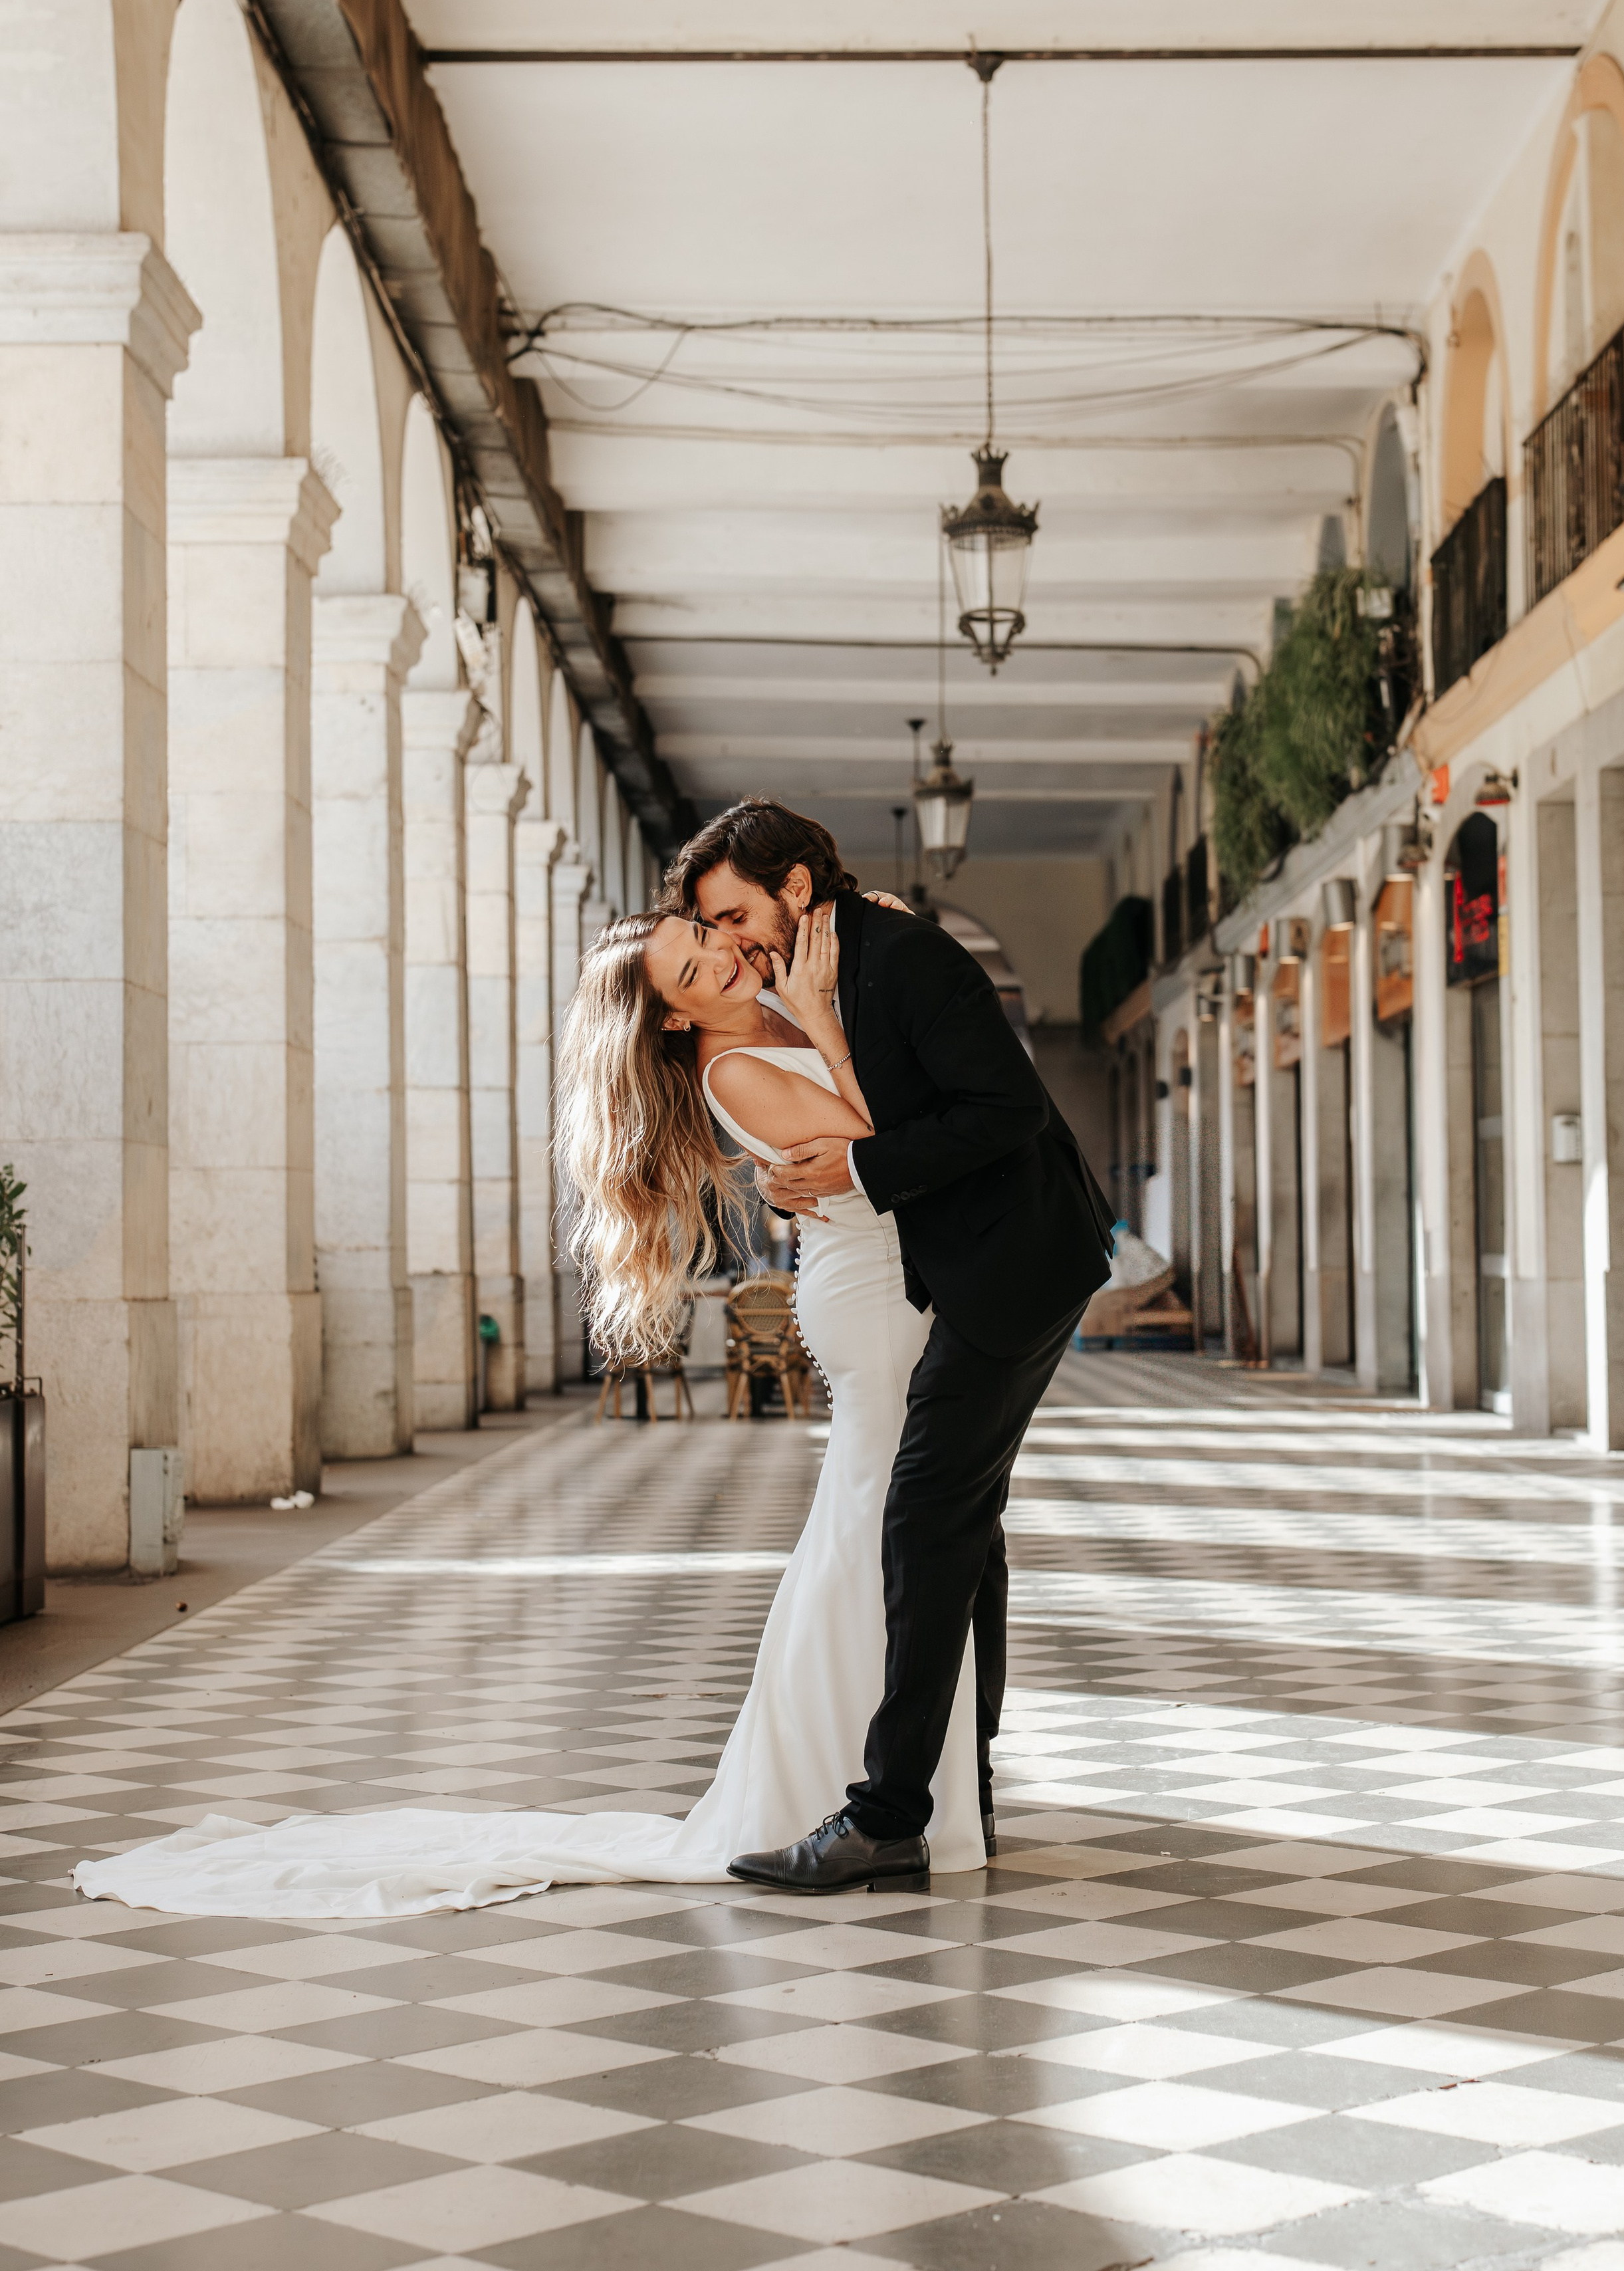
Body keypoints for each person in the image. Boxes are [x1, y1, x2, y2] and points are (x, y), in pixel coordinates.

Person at [70, 875, 986, 1921]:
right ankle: (857, 1794)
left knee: (893, 1528)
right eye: (696, 967)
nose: (723, 956)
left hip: (894, 1281)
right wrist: (826, 1017)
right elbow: (890, 1132)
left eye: (707, 937)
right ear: (678, 1016)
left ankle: (894, 1793)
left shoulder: (770, 1001)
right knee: (888, 1525)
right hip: (869, 1300)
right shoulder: (734, 1064)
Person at [674, 800, 1113, 1893]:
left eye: (734, 915)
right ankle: (944, 1787)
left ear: (796, 887)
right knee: (952, 1517)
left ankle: (892, 1813)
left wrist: (853, 1155)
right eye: (708, 935)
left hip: (1008, 1265)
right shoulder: (822, 968)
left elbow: (1001, 1109)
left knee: (929, 1513)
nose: (731, 943)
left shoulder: (893, 956)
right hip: (944, 1274)